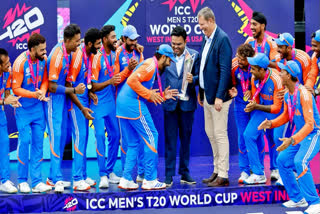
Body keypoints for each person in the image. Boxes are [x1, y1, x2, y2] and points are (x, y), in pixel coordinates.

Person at [258, 61, 320, 214]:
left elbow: (310, 125)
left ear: (290, 75)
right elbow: (286, 116)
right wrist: (271, 123)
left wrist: (292, 140)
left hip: (314, 134)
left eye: (282, 71)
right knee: (282, 160)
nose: (279, 73)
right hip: (301, 135)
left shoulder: (304, 94)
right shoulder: (288, 95)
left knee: (300, 161)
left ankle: (316, 202)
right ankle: (298, 198)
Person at [117, 44, 178, 190]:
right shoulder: (151, 65)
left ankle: (125, 179)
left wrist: (162, 96)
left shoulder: (151, 66)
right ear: (163, 57)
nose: (169, 64)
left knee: (133, 142)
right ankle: (150, 179)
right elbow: (132, 81)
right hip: (132, 104)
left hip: (122, 104)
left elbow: (143, 91)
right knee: (152, 136)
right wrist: (149, 94)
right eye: (169, 60)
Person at [11, 33, 52, 193]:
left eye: (45, 48)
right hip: (22, 108)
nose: (45, 52)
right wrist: (34, 94)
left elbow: (45, 80)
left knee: (37, 143)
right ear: (33, 49)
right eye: (42, 49)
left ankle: (36, 181)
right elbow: (16, 89)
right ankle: (22, 181)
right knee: (25, 140)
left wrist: (42, 91)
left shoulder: (44, 60)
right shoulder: (20, 63)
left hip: (38, 108)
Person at [197, 7, 233, 187]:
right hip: (207, 96)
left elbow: (225, 71)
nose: (201, 29)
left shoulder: (223, 39)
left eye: (203, 25)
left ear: (211, 20)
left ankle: (224, 175)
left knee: (220, 134)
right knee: (210, 133)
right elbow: (203, 68)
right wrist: (201, 92)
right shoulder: (206, 39)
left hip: (219, 99)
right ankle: (216, 170)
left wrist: (219, 96)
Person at [46, 24, 84, 193]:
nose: (78, 44)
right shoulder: (57, 56)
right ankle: (57, 179)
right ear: (67, 41)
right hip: (53, 100)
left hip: (62, 100)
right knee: (56, 137)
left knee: (62, 137)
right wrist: (74, 90)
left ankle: (51, 178)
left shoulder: (69, 51)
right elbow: (53, 87)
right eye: (76, 41)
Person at [162, 26, 199, 187]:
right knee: (170, 141)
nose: (175, 47)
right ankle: (168, 175)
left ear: (186, 41)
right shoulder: (164, 54)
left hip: (187, 104)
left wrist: (194, 79)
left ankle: (185, 173)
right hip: (170, 105)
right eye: (173, 44)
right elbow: (155, 74)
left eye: (178, 44)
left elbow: (201, 77)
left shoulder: (194, 56)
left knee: (186, 140)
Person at [67, 28, 101, 191]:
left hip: (84, 100)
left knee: (85, 137)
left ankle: (83, 175)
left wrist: (91, 92)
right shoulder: (78, 56)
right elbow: (70, 86)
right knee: (80, 139)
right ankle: (77, 178)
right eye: (97, 44)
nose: (99, 47)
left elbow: (84, 81)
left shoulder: (89, 55)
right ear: (89, 44)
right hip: (76, 105)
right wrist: (81, 108)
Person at [242, 53, 283, 185]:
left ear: (262, 69)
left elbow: (277, 108)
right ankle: (259, 173)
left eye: (253, 68)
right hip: (262, 109)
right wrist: (251, 106)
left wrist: (256, 106)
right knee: (248, 135)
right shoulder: (254, 78)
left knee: (274, 138)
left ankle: (276, 169)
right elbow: (257, 99)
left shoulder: (276, 79)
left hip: (279, 112)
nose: (251, 71)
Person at [90, 25, 122, 188]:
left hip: (111, 104)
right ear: (104, 40)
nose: (115, 39)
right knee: (100, 138)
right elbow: (92, 86)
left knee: (115, 136)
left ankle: (110, 171)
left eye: (116, 36)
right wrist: (109, 82)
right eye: (112, 36)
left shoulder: (116, 52)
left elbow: (125, 44)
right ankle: (102, 174)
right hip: (97, 104)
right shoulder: (97, 57)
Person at [229, 44, 265, 183]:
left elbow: (262, 83)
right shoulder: (234, 65)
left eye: (242, 59)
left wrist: (253, 91)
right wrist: (232, 90)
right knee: (242, 136)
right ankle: (244, 170)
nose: (238, 60)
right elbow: (230, 83)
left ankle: (259, 167)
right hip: (240, 105)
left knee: (257, 136)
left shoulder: (256, 66)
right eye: (237, 57)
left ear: (249, 60)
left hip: (256, 105)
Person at [114, 25, 145, 182]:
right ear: (124, 39)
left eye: (136, 39)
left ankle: (141, 173)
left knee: (141, 137)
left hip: (137, 100)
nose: (134, 42)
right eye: (131, 39)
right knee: (126, 140)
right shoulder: (117, 53)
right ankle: (127, 175)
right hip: (122, 102)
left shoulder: (138, 52)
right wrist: (128, 69)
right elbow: (115, 79)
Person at [0, 48, 21, 193]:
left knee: (4, 144)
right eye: (6, 64)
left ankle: (4, 181)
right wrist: (4, 101)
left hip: (0, 115)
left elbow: (6, 94)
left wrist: (11, 100)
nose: (10, 65)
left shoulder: (7, 74)